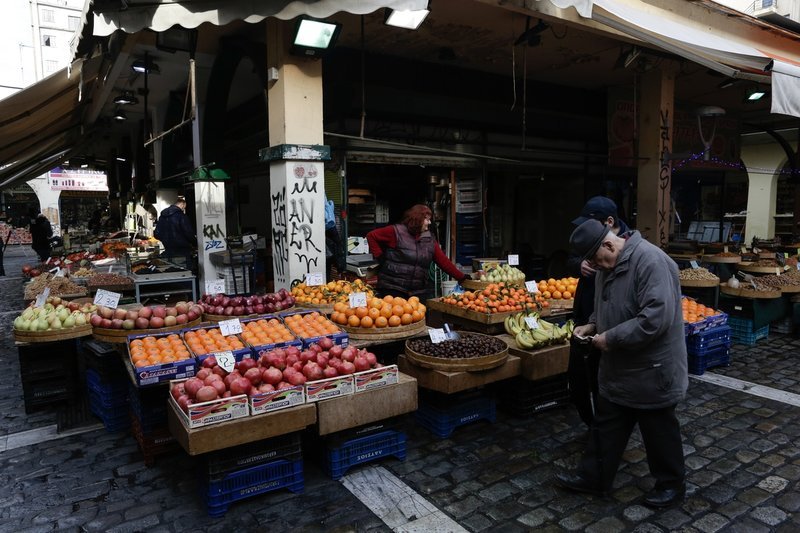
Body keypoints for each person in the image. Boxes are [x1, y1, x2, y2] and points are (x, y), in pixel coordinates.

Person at [554, 219, 688, 508]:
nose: (594, 265)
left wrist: (610, 338)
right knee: (607, 423)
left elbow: (655, 318)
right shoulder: (608, 265)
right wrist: (591, 325)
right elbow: (606, 305)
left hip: (653, 369)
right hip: (619, 368)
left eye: (595, 258)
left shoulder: (651, 261)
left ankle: (671, 484)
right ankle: (594, 478)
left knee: (659, 428)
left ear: (608, 243)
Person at [565, 196, 631, 427]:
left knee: (604, 380)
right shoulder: (590, 239)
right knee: (578, 378)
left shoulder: (630, 246)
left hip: (614, 325)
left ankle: (605, 429)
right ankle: (591, 424)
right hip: (587, 316)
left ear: (609, 222)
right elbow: (571, 257)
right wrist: (578, 265)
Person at [367, 204, 468, 299]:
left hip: (417, 292)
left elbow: (443, 261)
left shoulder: (430, 240)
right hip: (392, 289)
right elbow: (371, 236)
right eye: (427, 219)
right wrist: (379, 256)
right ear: (417, 219)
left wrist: (461, 277)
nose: (429, 222)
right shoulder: (396, 232)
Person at [154, 197, 196, 267]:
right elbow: (188, 232)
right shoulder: (181, 216)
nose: (183, 209)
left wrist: (166, 240)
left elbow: (157, 233)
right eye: (184, 208)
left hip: (168, 249)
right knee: (185, 272)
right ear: (182, 205)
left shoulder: (163, 216)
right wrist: (195, 243)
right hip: (182, 250)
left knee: (172, 270)